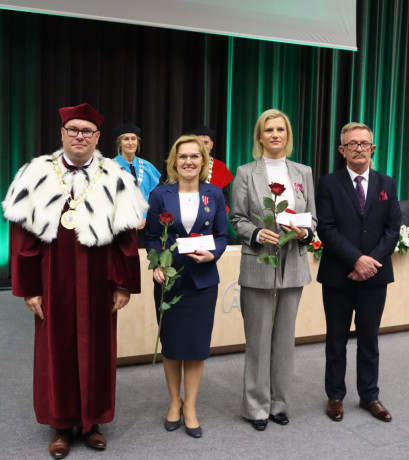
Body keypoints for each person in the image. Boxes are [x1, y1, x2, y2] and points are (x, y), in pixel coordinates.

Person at [2, 103, 148, 459]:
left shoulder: (114, 177)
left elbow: (126, 237)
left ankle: (93, 423)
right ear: (62, 134)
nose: (79, 136)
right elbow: (22, 237)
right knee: (56, 350)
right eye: (73, 130)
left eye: (87, 131)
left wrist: (123, 283)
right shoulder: (36, 174)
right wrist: (30, 288)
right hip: (53, 280)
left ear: (97, 137)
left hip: (99, 280)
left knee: (98, 350)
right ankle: (61, 425)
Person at [230, 109, 317, 431]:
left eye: (280, 129)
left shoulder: (303, 172)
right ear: (260, 136)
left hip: (293, 262)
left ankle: (279, 404)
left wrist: (305, 232)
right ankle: (256, 407)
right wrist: (255, 233)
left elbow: (312, 218)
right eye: (269, 130)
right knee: (257, 339)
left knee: (284, 339)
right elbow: (237, 218)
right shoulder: (245, 172)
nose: (275, 135)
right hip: (258, 261)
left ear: (288, 135)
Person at [315, 122, 401, 423]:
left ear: (373, 148)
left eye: (364, 144)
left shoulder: (387, 183)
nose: (359, 149)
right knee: (336, 339)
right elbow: (326, 228)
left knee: (369, 338)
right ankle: (335, 396)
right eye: (352, 144)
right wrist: (355, 260)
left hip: (375, 276)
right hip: (337, 276)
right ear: (342, 150)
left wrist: (369, 263)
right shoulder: (328, 184)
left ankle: (370, 396)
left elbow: (392, 229)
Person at [145, 135, 228, 438]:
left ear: (203, 161)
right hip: (170, 279)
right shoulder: (160, 194)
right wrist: (156, 263)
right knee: (171, 345)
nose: (189, 161)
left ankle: (190, 405)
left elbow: (222, 236)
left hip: (202, 280)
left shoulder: (214, 193)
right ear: (174, 161)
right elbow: (151, 237)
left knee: (195, 347)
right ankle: (174, 401)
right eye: (183, 156)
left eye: (195, 156)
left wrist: (213, 254)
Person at [114, 123, 161, 232]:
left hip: (146, 225)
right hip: (119, 226)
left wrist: (144, 216)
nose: (130, 143)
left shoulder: (147, 167)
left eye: (133, 139)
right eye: (126, 139)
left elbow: (156, 197)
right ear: (120, 142)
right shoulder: (110, 167)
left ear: (137, 142)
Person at [189, 125, 233, 213]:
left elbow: (225, 201)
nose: (202, 146)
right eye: (199, 142)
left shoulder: (221, 168)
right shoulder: (183, 165)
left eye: (206, 142)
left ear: (211, 145)